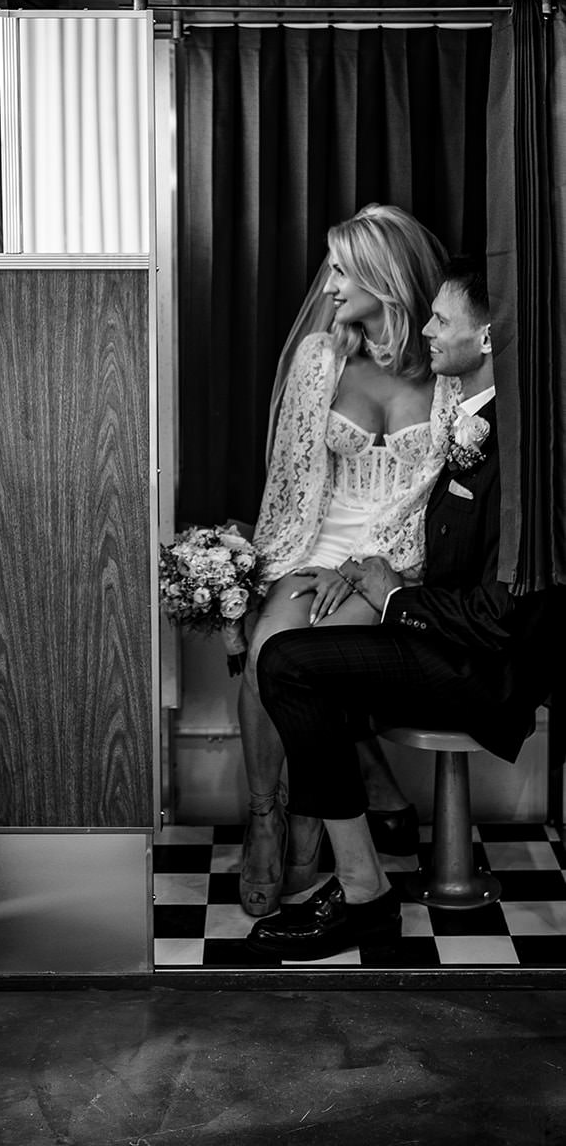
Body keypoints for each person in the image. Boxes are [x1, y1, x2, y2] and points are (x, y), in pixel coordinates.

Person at [247, 258, 562, 960]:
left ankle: (363, 893)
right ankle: (359, 871)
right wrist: (369, 569)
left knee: (292, 668)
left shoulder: (519, 452)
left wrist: (389, 593)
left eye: (442, 319)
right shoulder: (468, 419)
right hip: (448, 637)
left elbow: (499, 618)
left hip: (485, 668)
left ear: (486, 338)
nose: (425, 328)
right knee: (288, 660)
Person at [238, 205, 454, 917]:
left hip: (397, 558)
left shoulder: (451, 371)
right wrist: (266, 574)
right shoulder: (321, 357)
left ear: (384, 279)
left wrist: (367, 566)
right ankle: (265, 822)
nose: (327, 285)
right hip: (315, 542)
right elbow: (293, 476)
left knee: (301, 655)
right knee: (268, 639)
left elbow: (435, 498)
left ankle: (309, 832)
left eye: (341, 270)